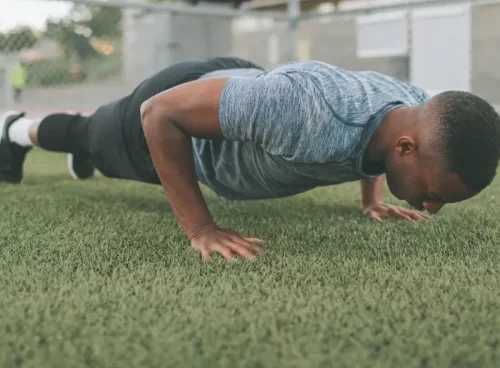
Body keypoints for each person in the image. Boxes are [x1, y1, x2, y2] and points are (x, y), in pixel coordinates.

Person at [1, 56, 500, 262]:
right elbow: (160, 114)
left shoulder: (410, 109)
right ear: (407, 149)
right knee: (93, 134)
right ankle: (15, 128)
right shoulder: (305, 114)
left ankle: (91, 156)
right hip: (177, 105)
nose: (430, 208)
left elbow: (375, 139)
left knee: (102, 153)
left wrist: (371, 199)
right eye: (433, 194)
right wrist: (200, 229)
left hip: (242, 100)